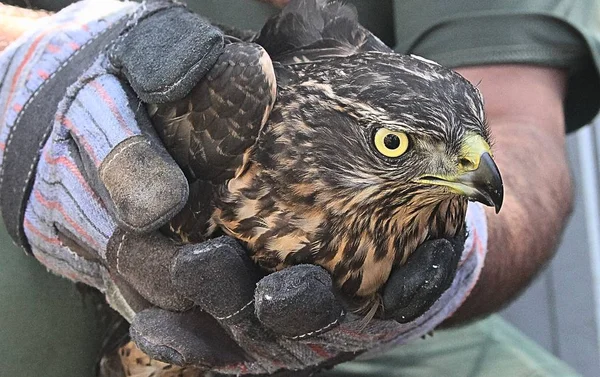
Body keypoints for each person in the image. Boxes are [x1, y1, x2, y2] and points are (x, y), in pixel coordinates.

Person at [0, 0, 596, 376]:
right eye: (391, 145)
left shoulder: (436, 202)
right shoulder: (242, 109)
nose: (475, 171)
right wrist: (37, 76)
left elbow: (522, 125)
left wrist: (466, 261)